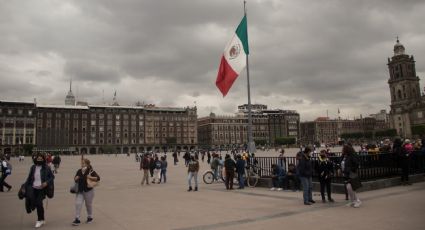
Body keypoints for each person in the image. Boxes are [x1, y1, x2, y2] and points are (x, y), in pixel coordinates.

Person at [24, 153, 55, 228]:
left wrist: (46, 183)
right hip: (33, 188)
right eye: (38, 158)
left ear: (43, 160)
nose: (39, 160)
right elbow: (29, 178)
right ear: (35, 159)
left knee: (39, 204)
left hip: (41, 189)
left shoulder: (46, 167)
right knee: (35, 203)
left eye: (41, 159)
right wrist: (24, 186)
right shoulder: (33, 167)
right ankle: (42, 219)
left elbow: (52, 177)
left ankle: (39, 220)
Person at [72, 158, 100, 226]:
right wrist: (76, 178)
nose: (82, 164)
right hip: (80, 191)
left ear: (87, 164)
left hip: (88, 191)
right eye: (81, 163)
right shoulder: (79, 171)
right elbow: (75, 179)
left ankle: (90, 217)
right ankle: (77, 219)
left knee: (88, 205)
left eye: (83, 163)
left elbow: (98, 178)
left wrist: (90, 177)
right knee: (78, 204)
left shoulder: (91, 171)